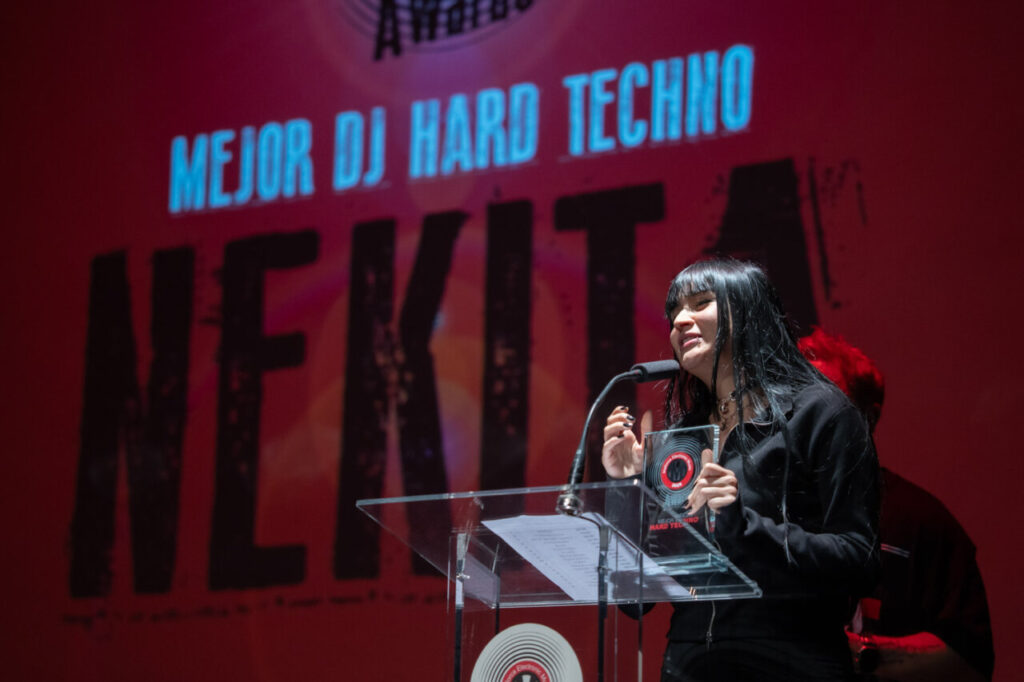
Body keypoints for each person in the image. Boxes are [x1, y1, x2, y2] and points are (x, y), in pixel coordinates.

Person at [602, 258, 880, 681]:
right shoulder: (683, 439)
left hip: (790, 662)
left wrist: (743, 526)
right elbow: (634, 600)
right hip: (691, 664)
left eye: (700, 303)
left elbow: (859, 559)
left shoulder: (821, 413)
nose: (680, 320)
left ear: (747, 313)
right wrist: (626, 486)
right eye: (674, 311)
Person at [799, 328, 994, 681]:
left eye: (826, 401)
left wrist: (857, 654)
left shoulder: (923, 521)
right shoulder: (759, 511)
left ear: (868, 418)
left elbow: (971, 660)